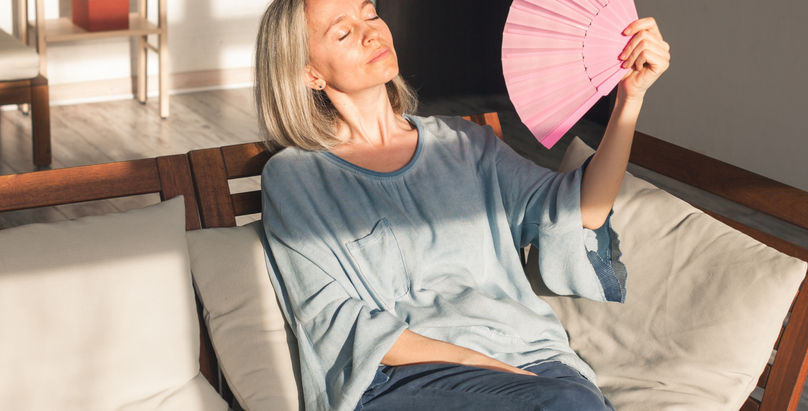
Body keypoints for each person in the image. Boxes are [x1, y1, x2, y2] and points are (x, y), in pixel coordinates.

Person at [255, 0, 670, 409]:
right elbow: (335, 319)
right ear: (309, 72)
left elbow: (581, 214)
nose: (371, 32)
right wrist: (477, 362)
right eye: (343, 32)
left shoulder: (466, 143)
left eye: (371, 13)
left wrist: (628, 100)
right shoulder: (295, 177)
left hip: (534, 362)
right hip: (410, 379)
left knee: (571, 400)